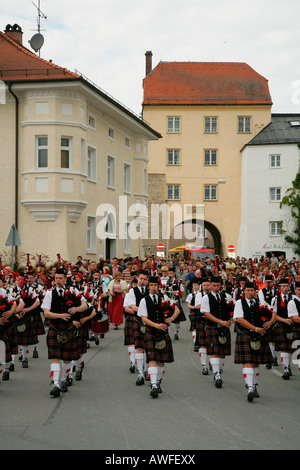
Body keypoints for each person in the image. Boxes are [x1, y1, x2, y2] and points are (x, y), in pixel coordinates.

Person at [42, 268, 88, 398]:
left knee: (67, 358)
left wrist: (76, 308)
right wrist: (60, 316)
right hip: (55, 327)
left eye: (60, 278)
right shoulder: (50, 294)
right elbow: (46, 313)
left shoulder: (73, 291)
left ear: (65, 279)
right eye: (56, 278)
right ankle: (56, 384)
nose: (58, 280)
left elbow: (85, 305)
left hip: (68, 329)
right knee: (55, 357)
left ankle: (64, 379)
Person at [137, 276, 180, 398]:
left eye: (155, 285)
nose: (153, 287)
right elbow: (144, 318)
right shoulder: (144, 300)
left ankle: (158, 381)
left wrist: (171, 319)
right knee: (152, 359)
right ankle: (154, 385)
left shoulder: (164, 298)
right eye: (151, 285)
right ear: (148, 286)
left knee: (161, 361)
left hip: (163, 333)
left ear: (158, 286)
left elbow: (177, 310)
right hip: (151, 332)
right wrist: (157, 325)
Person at [233, 281, 273, 402]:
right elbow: (239, 319)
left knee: (256, 363)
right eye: (248, 290)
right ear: (244, 291)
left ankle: (254, 386)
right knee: (248, 361)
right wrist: (255, 328)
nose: (250, 293)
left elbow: (273, 313)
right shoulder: (239, 303)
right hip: (245, 334)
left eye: (252, 290)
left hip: (259, 335)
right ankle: (250, 388)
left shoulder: (259, 303)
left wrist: (270, 322)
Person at [201, 276, 233, 388]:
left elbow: (231, 310)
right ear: (210, 285)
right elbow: (206, 314)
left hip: (224, 328)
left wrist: (230, 318)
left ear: (221, 285)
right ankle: (217, 375)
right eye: (213, 286)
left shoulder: (227, 296)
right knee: (215, 352)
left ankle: (218, 369)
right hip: (212, 327)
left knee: (222, 354)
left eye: (218, 285)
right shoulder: (206, 298)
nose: (215, 288)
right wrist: (220, 321)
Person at [123, 269, 149, 384]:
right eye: (141, 279)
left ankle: (148, 371)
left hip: (149, 321)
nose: (142, 281)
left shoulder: (151, 290)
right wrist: (146, 311)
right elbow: (131, 307)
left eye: (144, 279)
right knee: (138, 346)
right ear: (137, 278)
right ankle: (140, 373)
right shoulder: (132, 292)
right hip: (137, 320)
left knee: (148, 347)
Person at [271, 278, 294, 379]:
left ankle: (288, 366)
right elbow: (274, 315)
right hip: (281, 324)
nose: (285, 288)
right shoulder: (275, 299)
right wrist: (285, 320)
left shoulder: (293, 298)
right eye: (283, 286)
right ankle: (286, 369)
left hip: (292, 324)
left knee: (290, 348)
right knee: (284, 348)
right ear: (280, 287)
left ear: (289, 287)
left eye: (287, 286)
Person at [194, 278, 212, 375]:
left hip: (212, 321)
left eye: (208, 285)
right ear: (202, 286)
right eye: (204, 285)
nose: (206, 287)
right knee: (203, 344)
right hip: (203, 320)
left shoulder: (214, 295)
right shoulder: (199, 295)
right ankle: (204, 365)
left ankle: (213, 362)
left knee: (213, 343)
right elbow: (198, 306)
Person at [287, 281, 300, 374]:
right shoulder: (292, 302)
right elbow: (295, 318)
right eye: (299, 289)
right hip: (298, 330)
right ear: (295, 290)